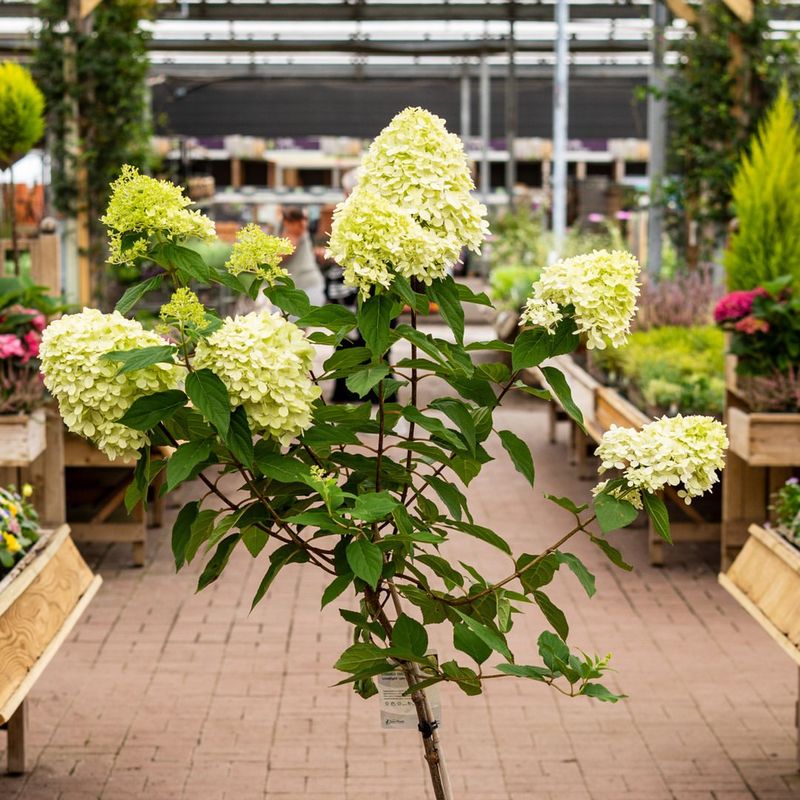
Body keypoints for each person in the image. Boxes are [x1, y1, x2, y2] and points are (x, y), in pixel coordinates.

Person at [280, 206, 325, 307]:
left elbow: (284, 253)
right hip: (300, 287)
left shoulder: (296, 235)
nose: (303, 224)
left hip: (307, 285)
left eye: (304, 220)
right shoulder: (291, 234)